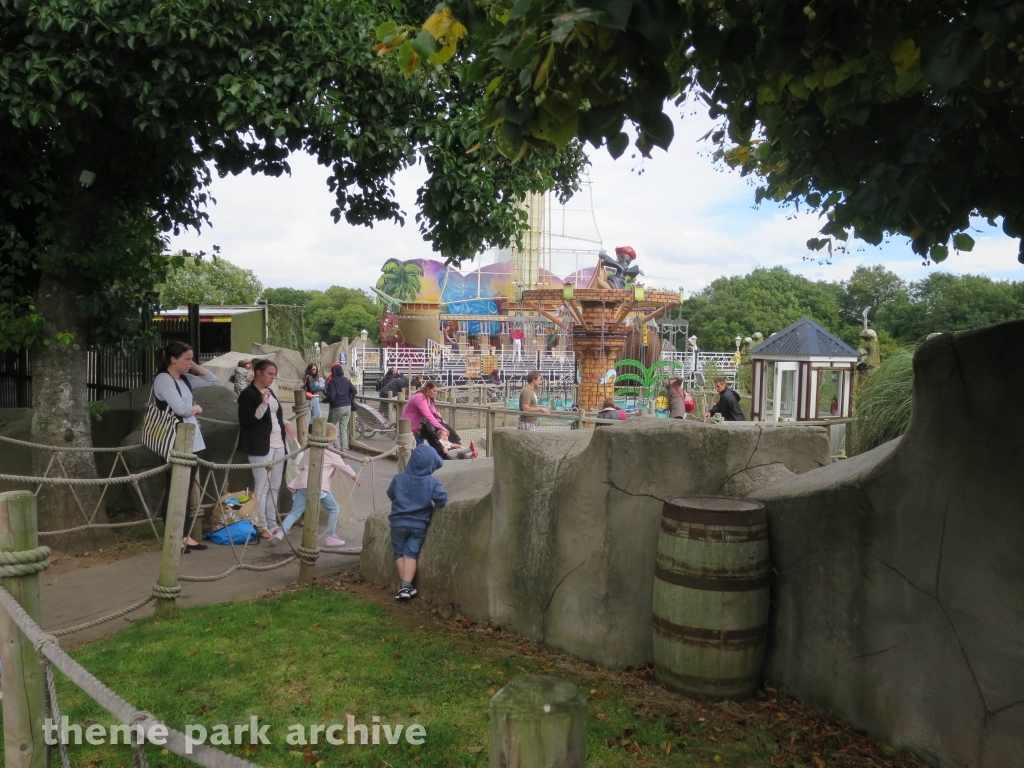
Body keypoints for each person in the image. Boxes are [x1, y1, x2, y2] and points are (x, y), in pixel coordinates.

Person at [153, 341, 219, 553]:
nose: (190, 362)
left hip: (191, 438)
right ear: (173, 359)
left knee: (187, 488)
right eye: (186, 359)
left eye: (192, 358)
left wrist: (195, 366)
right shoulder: (164, 379)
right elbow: (180, 408)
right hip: (175, 439)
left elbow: (212, 380)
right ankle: (174, 535)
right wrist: (196, 408)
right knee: (175, 488)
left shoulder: (185, 379)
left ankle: (184, 534)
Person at [238, 359, 297, 539]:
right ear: (259, 373)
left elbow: (275, 414)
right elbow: (248, 421)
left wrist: (286, 423)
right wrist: (263, 403)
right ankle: (262, 525)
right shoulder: (248, 394)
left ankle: (273, 523)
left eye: (274, 374)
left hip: (278, 442)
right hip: (259, 445)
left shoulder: (270, 391)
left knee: (275, 487)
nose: (273, 378)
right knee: (262, 487)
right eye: (270, 374)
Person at [279, 423, 360, 546]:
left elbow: (301, 466)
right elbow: (344, 467)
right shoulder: (332, 452)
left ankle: (280, 533)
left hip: (302, 484)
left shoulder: (310, 448)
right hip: (319, 486)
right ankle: (330, 537)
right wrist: (355, 477)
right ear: (332, 439)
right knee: (334, 509)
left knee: (295, 512)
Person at [387, 443, 448, 600]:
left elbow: (391, 494)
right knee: (411, 555)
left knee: (399, 554)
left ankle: (406, 587)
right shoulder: (432, 482)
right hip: (419, 525)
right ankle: (406, 588)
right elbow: (441, 499)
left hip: (398, 523)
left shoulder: (399, 479)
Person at [324, 363, 357, 450]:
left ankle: (336, 445)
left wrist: (324, 400)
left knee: (330, 426)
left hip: (337, 407)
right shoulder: (346, 380)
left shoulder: (333, 381)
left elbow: (332, 396)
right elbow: (354, 391)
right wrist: (349, 397)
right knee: (343, 429)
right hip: (347, 406)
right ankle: (344, 449)